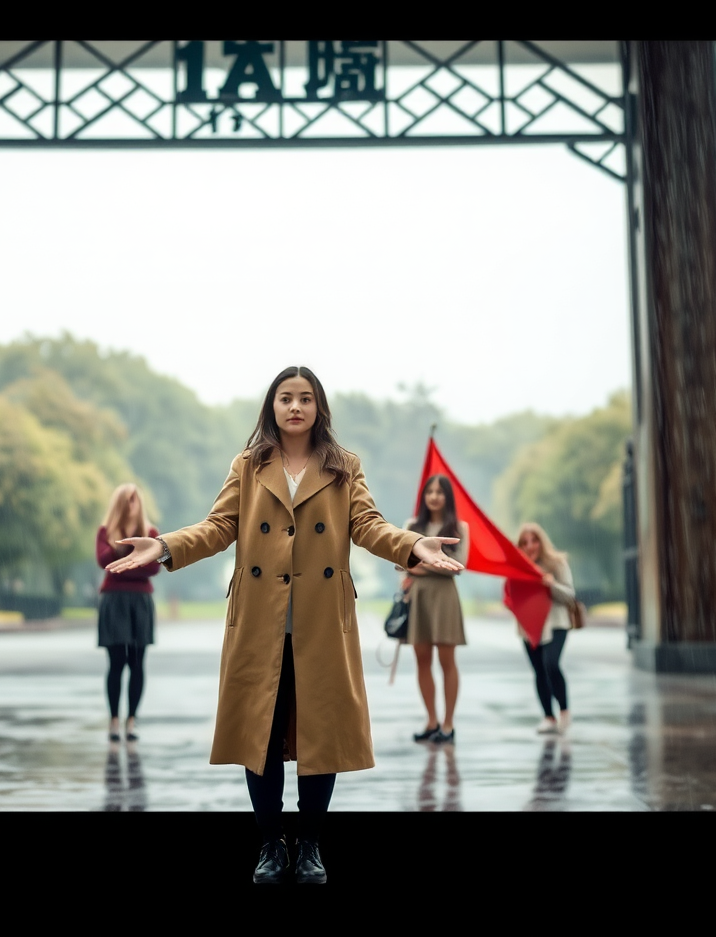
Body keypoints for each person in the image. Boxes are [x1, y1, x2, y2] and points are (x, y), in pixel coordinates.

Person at [107, 367, 462, 885]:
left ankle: (311, 846)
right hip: (259, 621)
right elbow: (220, 526)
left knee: (323, 732)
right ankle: (270, 845)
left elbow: (366, 524)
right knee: (261, 733)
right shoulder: (249, 465)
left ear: (319, 408)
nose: (295, 407)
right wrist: (164, 546)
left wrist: (411, 544)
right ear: (271, 406)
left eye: (305, 398)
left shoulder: (344, 467)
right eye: (285, 398)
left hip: (321, 622)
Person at [401, 474, 468, 745]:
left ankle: (449, 724)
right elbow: (402, 563)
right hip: (418, 598)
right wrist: (436, 563)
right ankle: (431, 721)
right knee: (422, 659)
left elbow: (458, 567)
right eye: (430, 491)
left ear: (447, 496)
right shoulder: (411, 525)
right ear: (424, 496)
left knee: (447, 661)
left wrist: (420, 563)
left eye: (440, 491)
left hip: (445, 598)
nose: (434, 496)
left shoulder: (459, 527)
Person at [96, 483, 160, 743]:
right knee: (116, 663)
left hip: (140, 602)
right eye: (125, 500)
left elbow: (155, 567)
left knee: (137, 663)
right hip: (114, 601)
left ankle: (131, 719)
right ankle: (113, 719)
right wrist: (134, 558)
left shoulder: (151, 532)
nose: (129, 505)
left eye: (133, 500)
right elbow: (105, 563)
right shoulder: (106, 531)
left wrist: (124, 563)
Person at [516, 522, 577, 735]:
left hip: (555, 624)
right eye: (524, 543)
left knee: (551, 664)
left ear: (542, 542)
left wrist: (551, 584)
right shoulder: (519, 568)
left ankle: (564, 711)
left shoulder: (557, 563)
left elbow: (570, 595)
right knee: (539, 671)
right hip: (529, 628)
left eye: (534, 540)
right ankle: (548, 717)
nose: (530, 546)